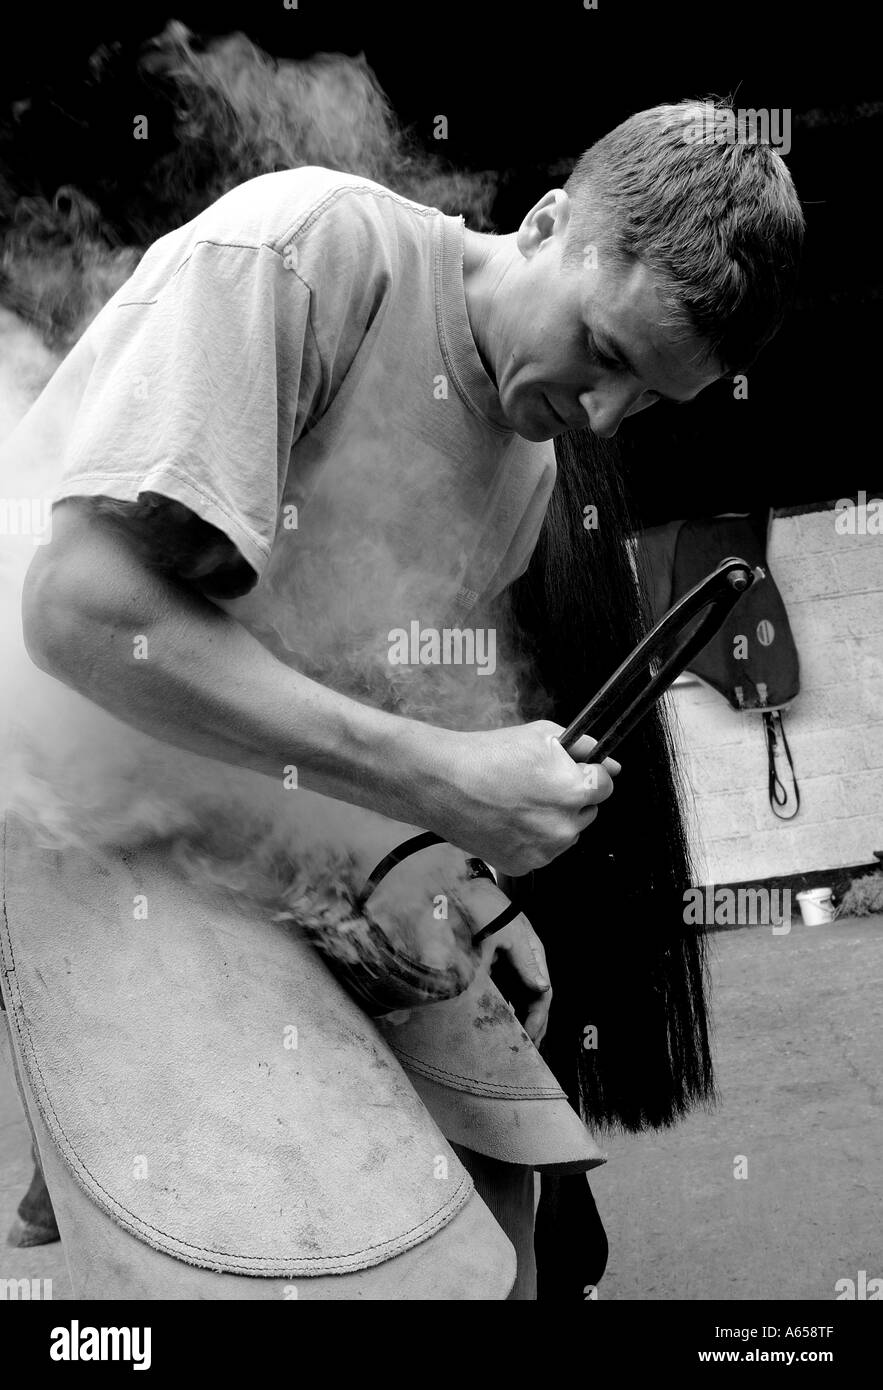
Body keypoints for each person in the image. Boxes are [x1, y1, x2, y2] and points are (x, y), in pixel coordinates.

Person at [1, 98, 803, 1299]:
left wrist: (440, 864)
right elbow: (79, 614)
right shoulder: (307, 252)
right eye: (605, 351)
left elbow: (325, 718)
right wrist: (438, 777)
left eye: (646, 399)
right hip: (72, 811)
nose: (600, 416)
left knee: (510, 1199)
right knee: (356, 1269)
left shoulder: (524, 474)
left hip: (244, 827)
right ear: (545, 224)